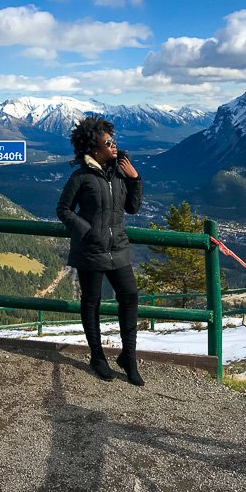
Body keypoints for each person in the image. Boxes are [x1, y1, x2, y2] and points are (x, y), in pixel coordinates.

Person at [56, 116, 144, 386]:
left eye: (113, 140)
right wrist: (87, 231)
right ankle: (98, 356)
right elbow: (63, 210)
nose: (114, 145)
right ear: (94, 148)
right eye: (108, 142)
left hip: (117, 248)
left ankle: (128, 357)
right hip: (90, 251)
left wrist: (135, 179)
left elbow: (132, 208)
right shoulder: (81, 176)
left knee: (129, 296)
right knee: (91, 303)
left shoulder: (119, 173)